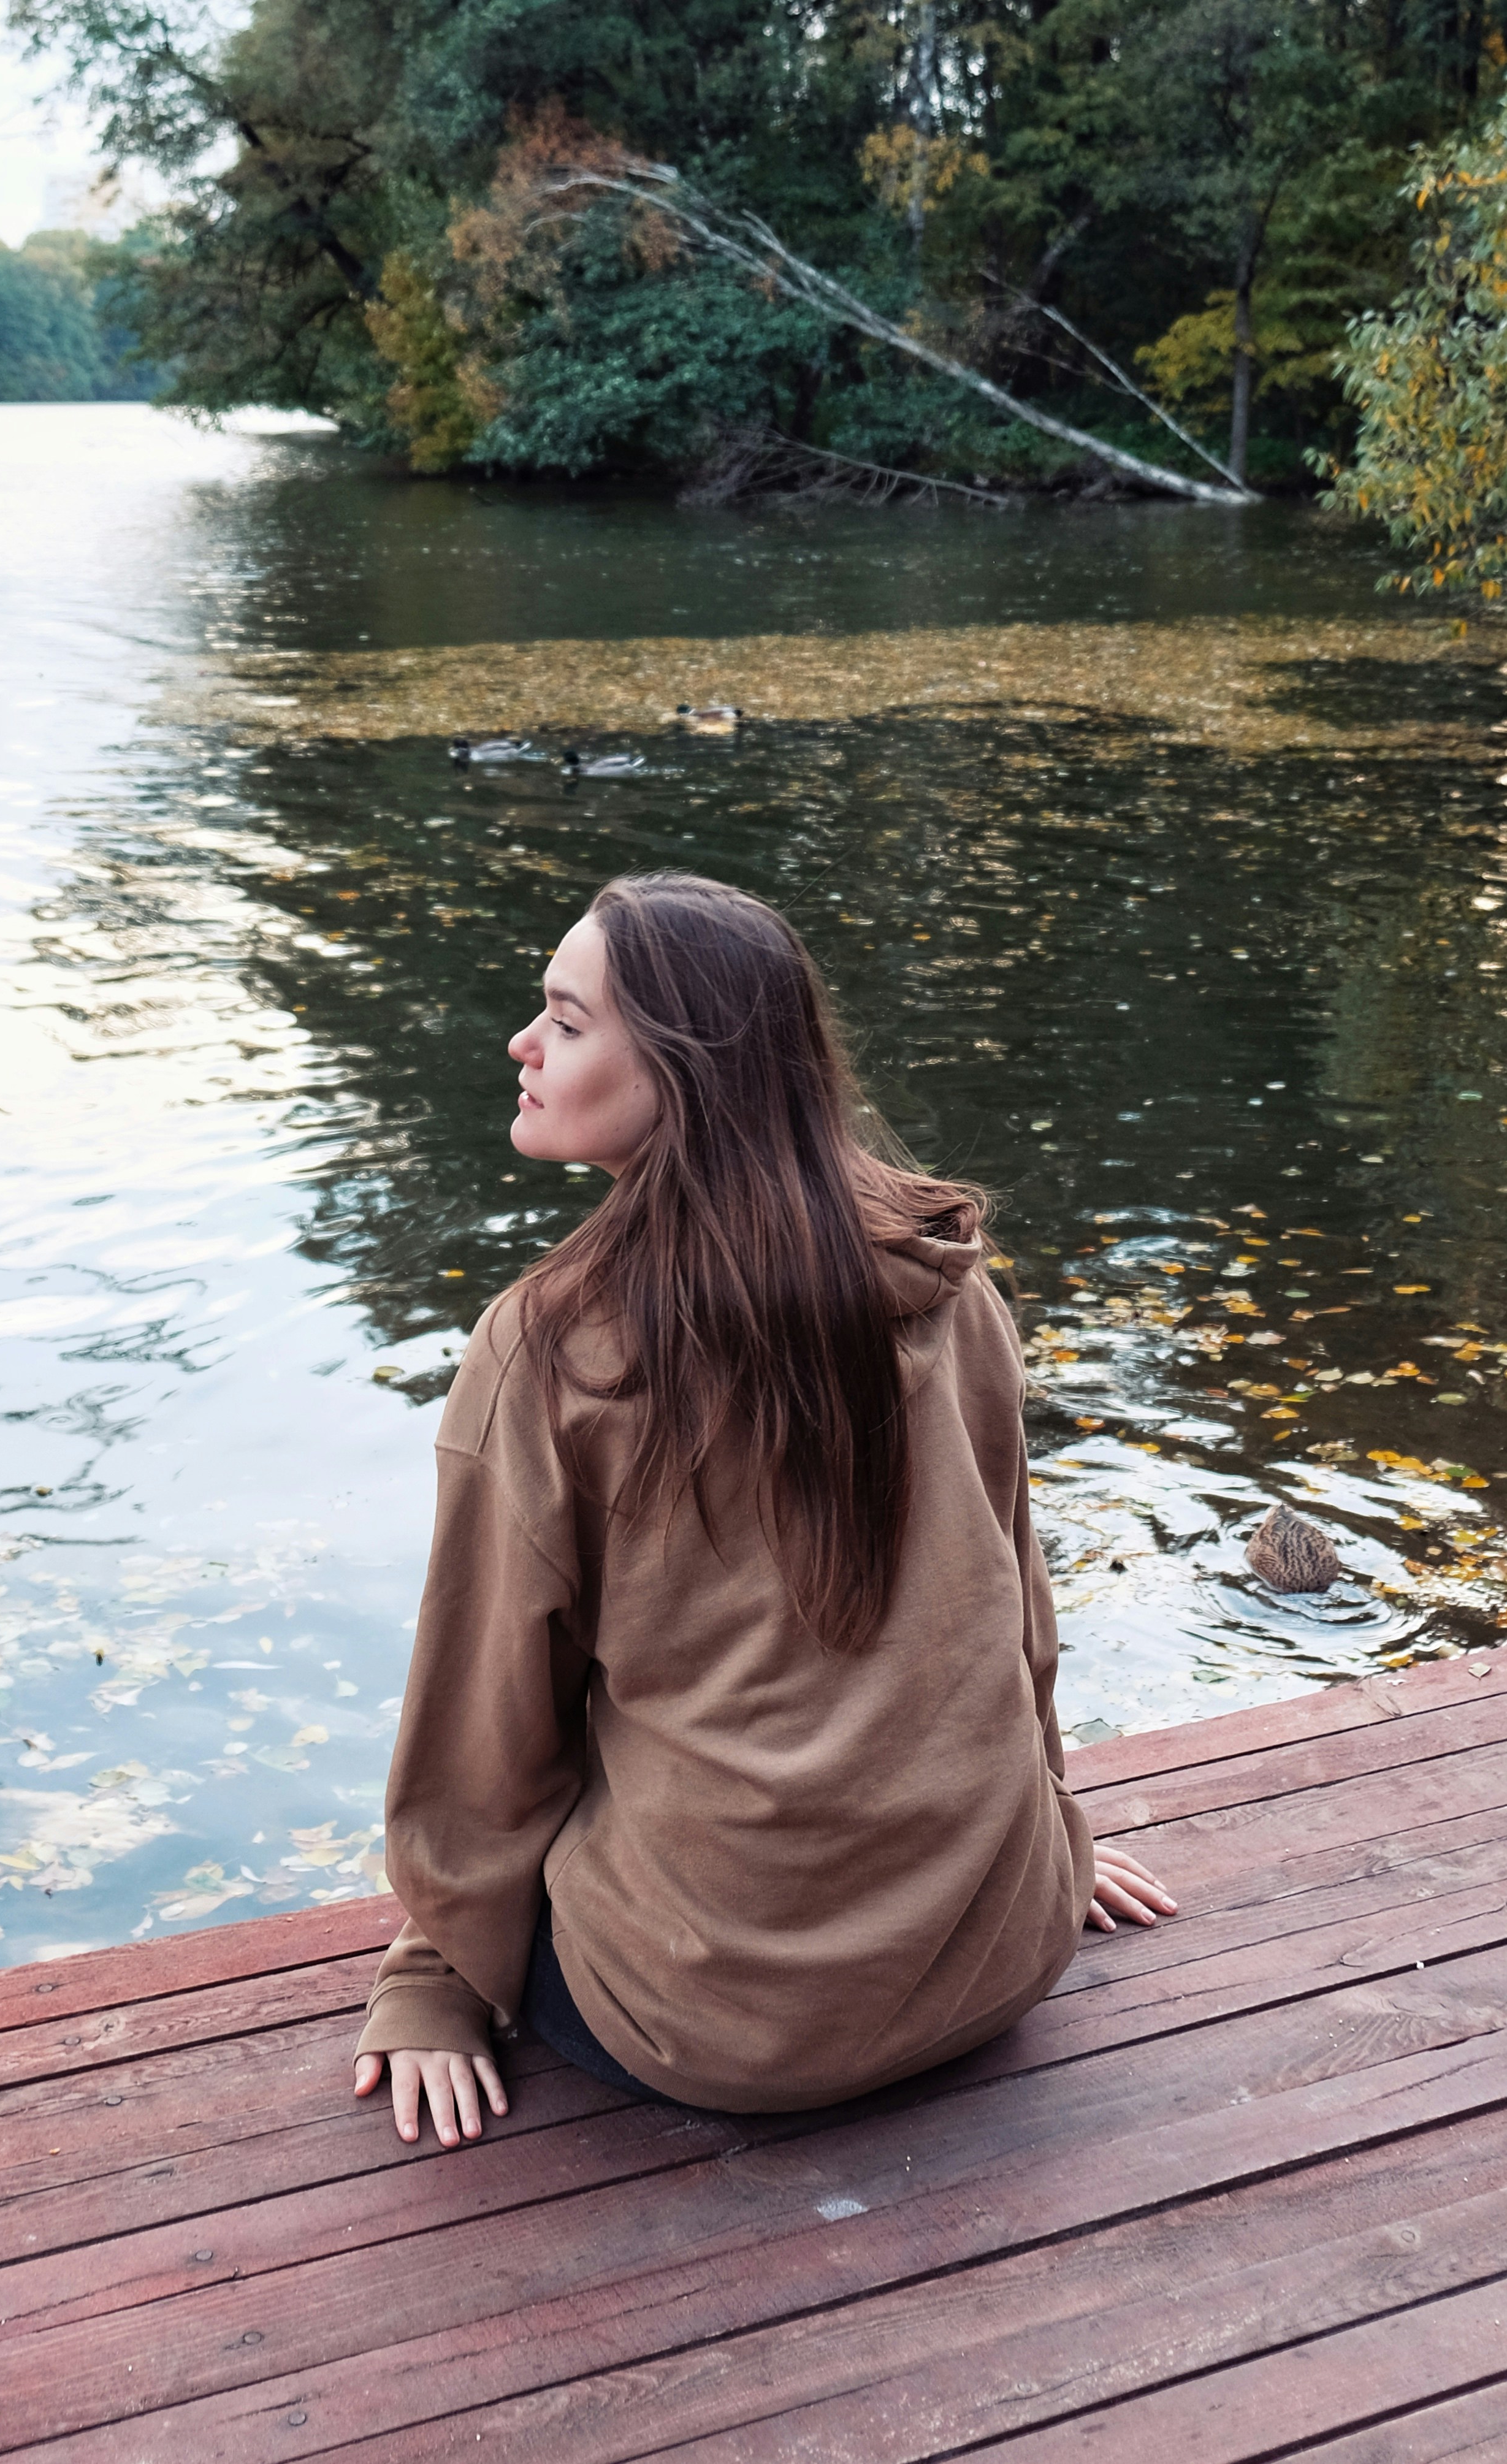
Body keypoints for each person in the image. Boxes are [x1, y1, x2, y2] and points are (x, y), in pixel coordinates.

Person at [352, 871, 1175, 2149]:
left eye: (566, 1023)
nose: (522, 1045)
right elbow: (1013, 1608)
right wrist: (1040, 1842)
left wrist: (434, 1975)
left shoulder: (549, 1348)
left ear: (684, 1071)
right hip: (994, 1957)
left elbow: (485, 1714)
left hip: (712, 2027)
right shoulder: (942, 1272)